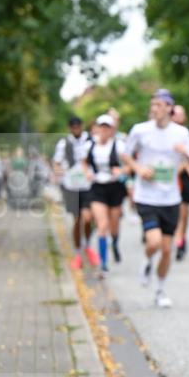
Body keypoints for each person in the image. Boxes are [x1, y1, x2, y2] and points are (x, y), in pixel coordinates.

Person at [122, 90, 189, 308]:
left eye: (158, 105)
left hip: (170, 198)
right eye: (152, 104)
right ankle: (147, 261)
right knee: (153, 242)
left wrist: (186, 152)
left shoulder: (181, 133)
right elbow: (125, 154)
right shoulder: (140, 130)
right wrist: (138, 168)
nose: (153, 108)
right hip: (146, 196)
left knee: (166, 249)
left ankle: (160, 290)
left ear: (168, 108)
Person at [53, 116, 99, 270]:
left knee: (88, 218)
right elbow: (57, 163)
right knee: (76, 219)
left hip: (87, 186)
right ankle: (78, 253)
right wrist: (59, 172)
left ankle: (87, 245)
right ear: (70, 128)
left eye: (78, 126)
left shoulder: (91, 141)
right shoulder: (63, 144)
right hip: (71, 186)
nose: (76, 129)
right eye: (73, 127)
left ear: (82, 126)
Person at [83, 114, 127, 273]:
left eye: (107, 127)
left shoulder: (119, 145)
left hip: (115, 187)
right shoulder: (90, 145)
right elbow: (84, 162)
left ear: (111, 130)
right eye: (101, 126)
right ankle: (103, 262)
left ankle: (114, 242)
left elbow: (130, 166)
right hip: (98, 188)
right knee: (102, 225)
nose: (104, 130)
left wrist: (121, 171)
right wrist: (87, 172)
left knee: (114, 224)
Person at [171, 103, 189, 261]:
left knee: (184, 211)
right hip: (167, 178)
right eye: (175, 113)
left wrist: (183, 166)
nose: (178, 116)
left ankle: (181, 241)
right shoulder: (165, 133)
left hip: (185, 177)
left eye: (181, 114)